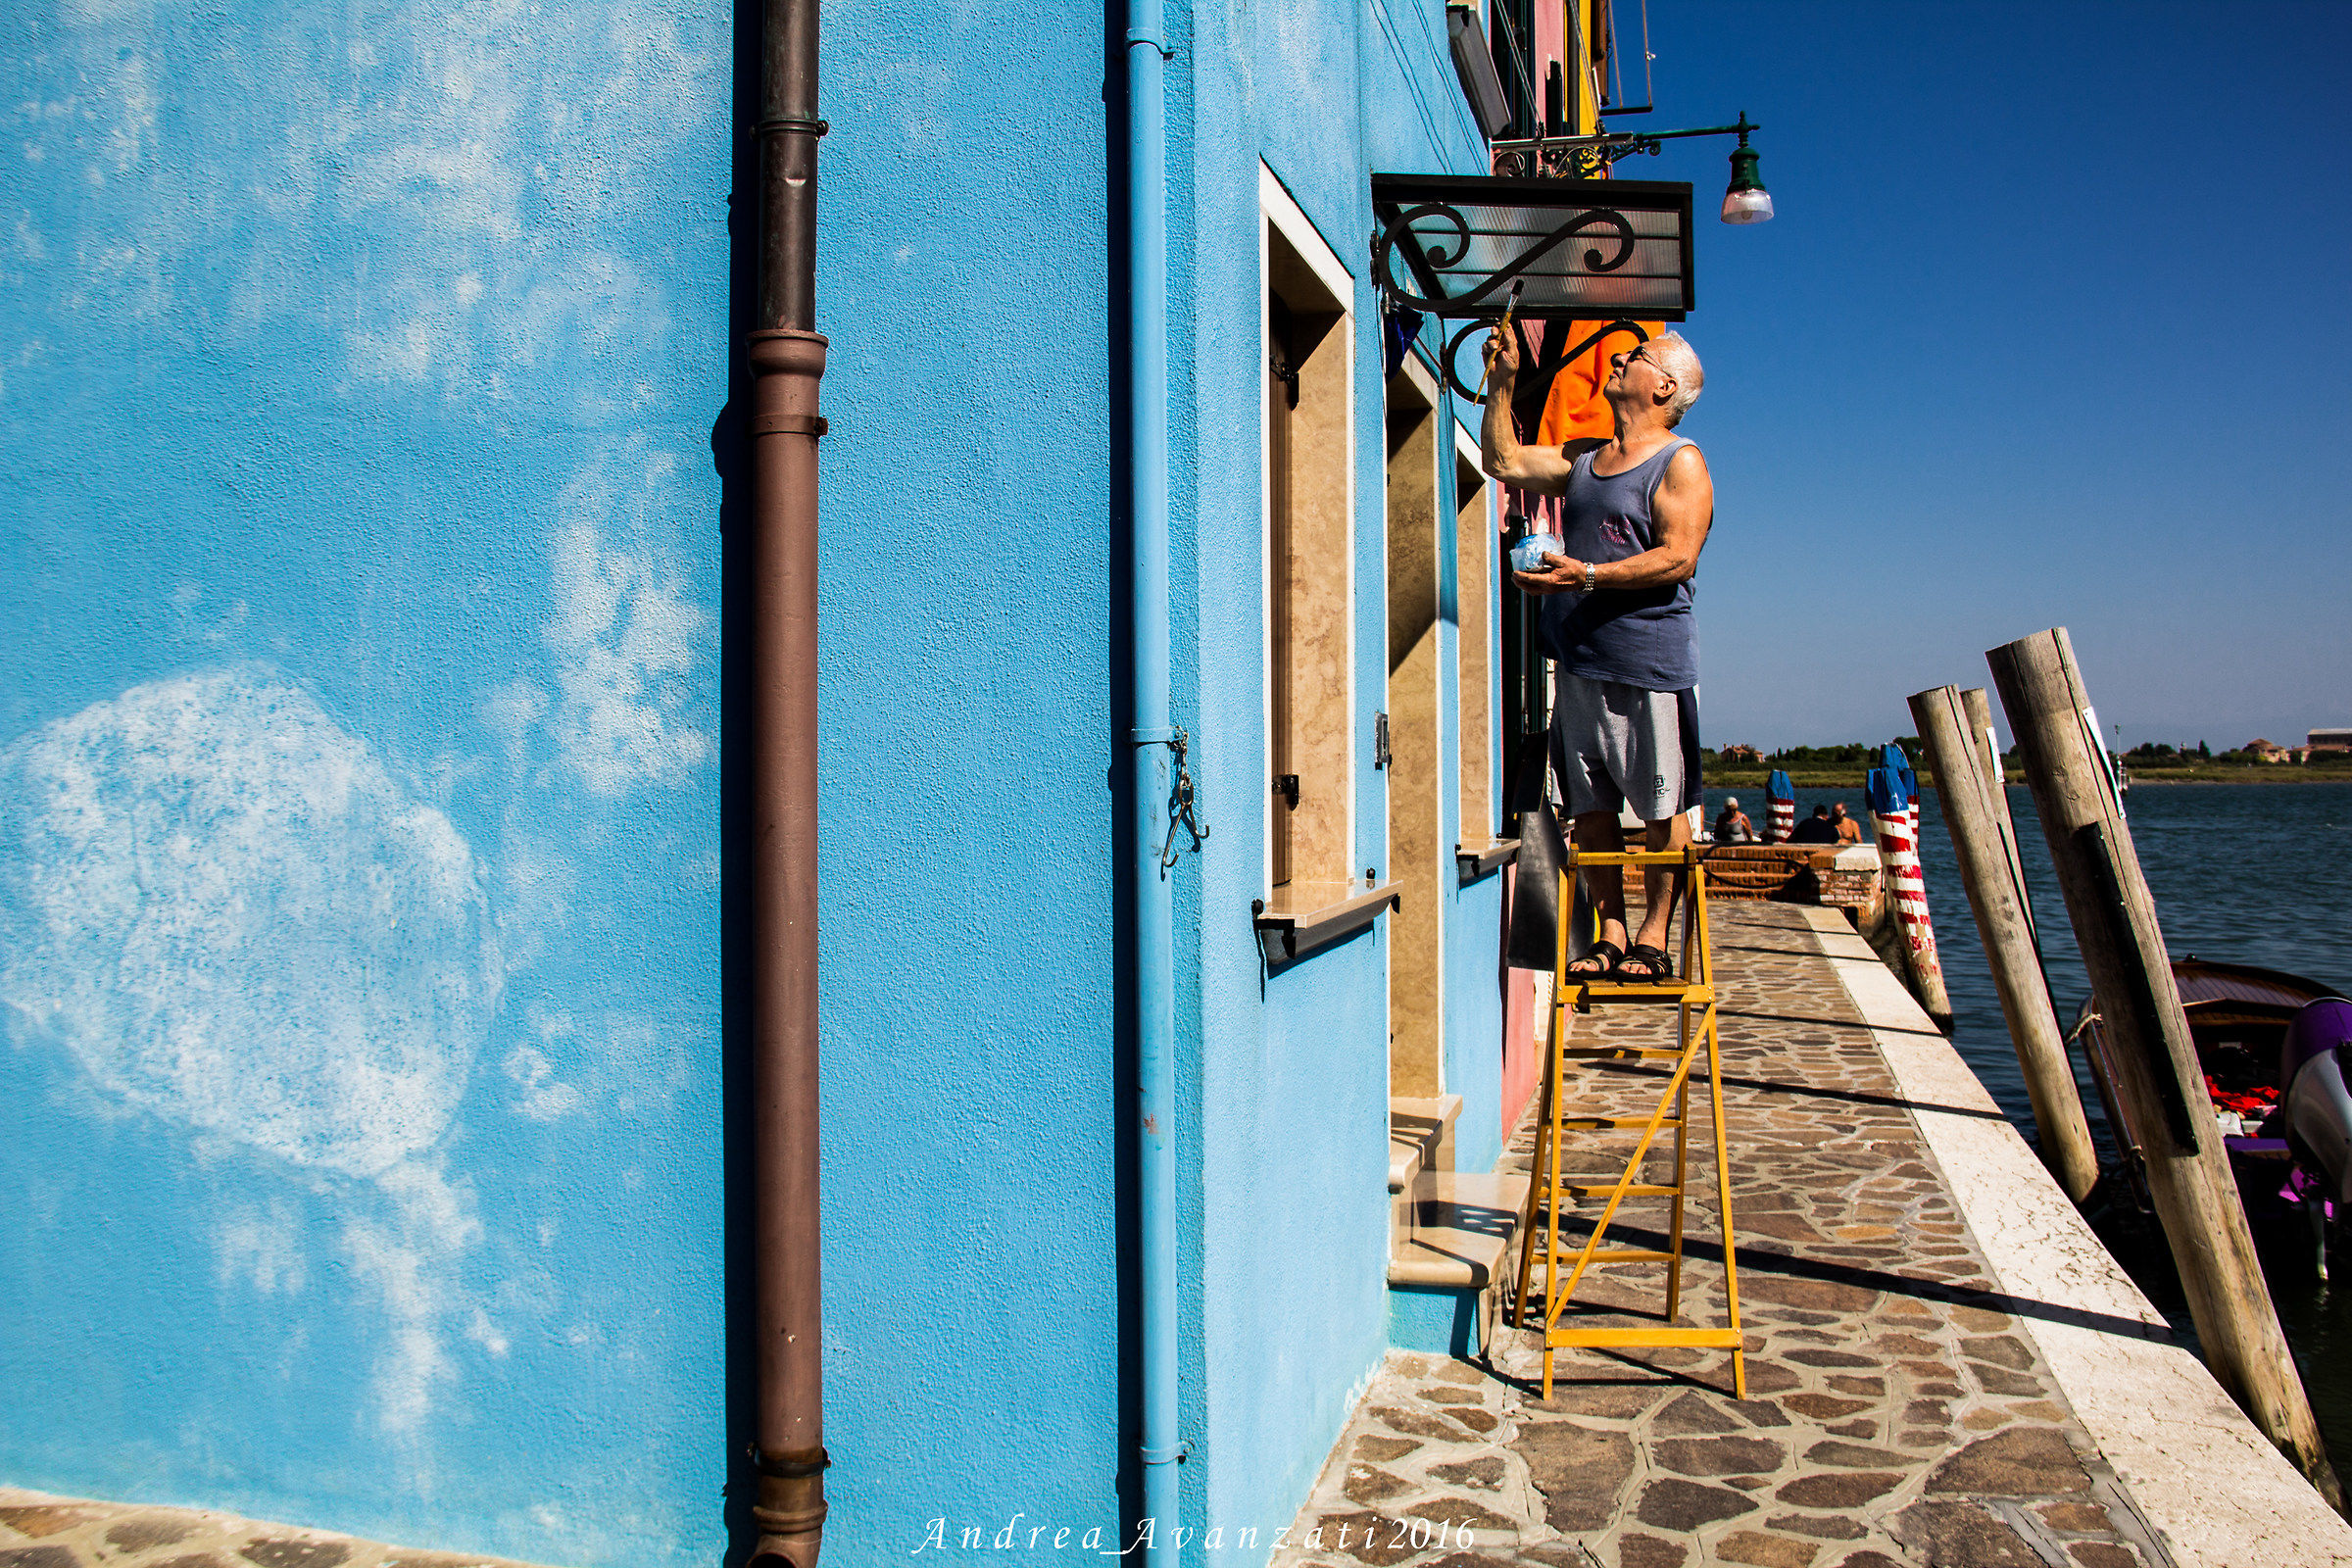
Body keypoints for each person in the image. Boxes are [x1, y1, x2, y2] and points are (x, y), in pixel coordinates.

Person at [1482, 325, 1714, 982]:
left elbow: (1679, 556)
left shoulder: (1681, 462)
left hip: (1650, 665)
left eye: (1635, 357)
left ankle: (1652, 935)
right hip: (1579, 662)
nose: (1617, 356)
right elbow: (1503, 461)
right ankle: (1611, 933)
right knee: (1591, 809)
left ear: (1663, 387)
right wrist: (1502, 383)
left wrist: (1582, 575)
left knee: (1663, 809)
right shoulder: (1585, 460)